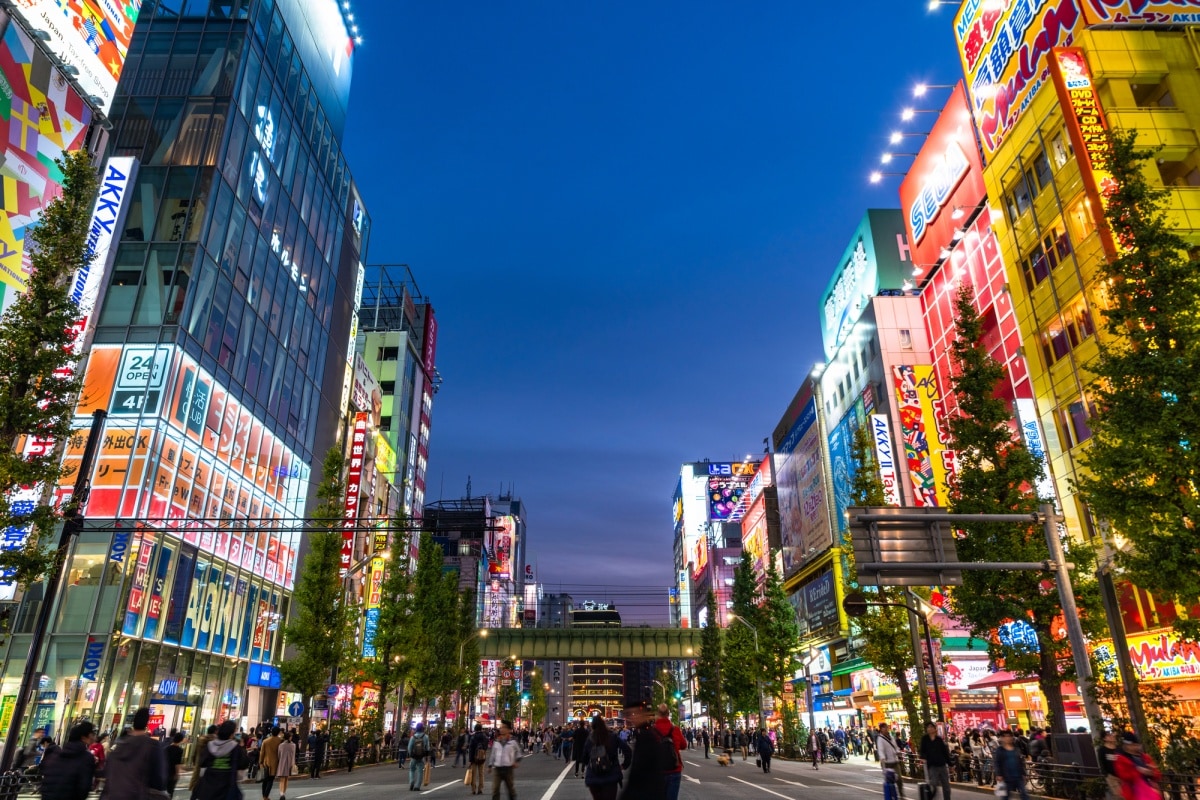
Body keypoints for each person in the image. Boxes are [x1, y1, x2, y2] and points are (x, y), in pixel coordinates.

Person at [101, 708, 168, 800]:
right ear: (147, 724)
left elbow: (107, 772)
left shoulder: (118, 744)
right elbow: (159, 781)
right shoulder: (152, 746)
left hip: (111, 795)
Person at [618, 702, 665, 800]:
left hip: (648, 791)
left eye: (634, 714)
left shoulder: (647, 735)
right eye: (629, 715)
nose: (632, 718)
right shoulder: (644, 733)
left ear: (642, 714)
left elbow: (640, 769)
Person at [39, 721, 96, 800]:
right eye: (92, 734)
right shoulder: (86, 758)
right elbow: (83, 788)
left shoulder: (56, 755)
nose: (93, 737)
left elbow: (46, 782)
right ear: (83, 737)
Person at [193, 721, 249, 800]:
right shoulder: (235, 747)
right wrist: (242, 746)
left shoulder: (210, 745)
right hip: (227, 784)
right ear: (232, 733)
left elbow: (202, 762)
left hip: (209, 784)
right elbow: (244, 763)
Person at [583, 716, 631, 800]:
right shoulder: (612, 736)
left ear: (592, 725)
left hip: (594, 777)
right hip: (611, 775)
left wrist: (592, 765)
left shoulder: (590, 739)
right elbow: (627, 750)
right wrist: (624, 765)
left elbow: (584, 757)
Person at [1114, 733, 1162, 800]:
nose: (1136, 747)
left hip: (1150, 791)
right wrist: (1138, 771)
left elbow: (1157, 774)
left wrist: (1152, 773)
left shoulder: (1145, 757)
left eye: (1136, 745)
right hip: (1134, 793)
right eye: (1133, 745)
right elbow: (1123, 775)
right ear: (1127, 745)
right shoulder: (1121, 759)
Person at [652, 704, 686, 800]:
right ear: (668, 714)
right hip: (674, 769)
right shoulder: (675, 729)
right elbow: (684, 745)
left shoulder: (652, 731)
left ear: (658, 714)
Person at [486, 720, 521, 800]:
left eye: (504, 727)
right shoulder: (496, 741)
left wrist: (516, 761)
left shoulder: (513, 742)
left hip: (508, 769)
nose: (501, 729)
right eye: (501, 727)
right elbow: (493, 754)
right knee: (495, 789)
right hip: (497, 769)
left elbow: (519, 753)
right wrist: (490, 765)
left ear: (509, 730)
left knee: (510, 790)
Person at [994, 729, 1029, 800]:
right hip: (1006, 777)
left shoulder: (1016, 749)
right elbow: (997, 762)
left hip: (1018, 776)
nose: (1007, 738)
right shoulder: (999, 750)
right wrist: (999, 774)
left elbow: (1020, 762)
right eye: (1005, 736)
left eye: (1009, 736)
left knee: (1024, 794)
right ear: (1002, 738)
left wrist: (1024, 774)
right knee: (1005, 796)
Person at [920, 723, 952, 800]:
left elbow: (945, 753)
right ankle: (931, 797)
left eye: (931, 727)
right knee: (933, 784)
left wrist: (950, 764)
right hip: (932, 766)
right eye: (928, 727)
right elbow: (922, 751)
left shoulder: (939, 740)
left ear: (935, 729)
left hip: (942, 765)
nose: (929, 729)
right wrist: (923, 758)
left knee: (946, 786)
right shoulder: (925, 739)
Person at [877, 723, 905, 799]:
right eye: (884, 728)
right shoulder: (880, 739)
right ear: (881, 729)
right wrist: (882, 759)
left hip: (895, 761)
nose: (886, 729)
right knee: (889, 781)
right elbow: (880, 750)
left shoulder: (891, 737)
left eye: (886, 727)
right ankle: (891, 796)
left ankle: (901, 795)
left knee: (899, 779)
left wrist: (898, 751)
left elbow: (895, 747)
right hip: (887, 763)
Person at [188, 726, 217, 797]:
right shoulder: (215, 741)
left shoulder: (201, 739)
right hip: (209, 766)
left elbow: (195, 751)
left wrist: (194, 761)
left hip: (199, 764)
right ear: (216, 731)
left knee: (197, 783)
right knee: (207, 785)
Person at [258, 727, 281, 800]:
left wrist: (260, 762)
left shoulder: (265, 741)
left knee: (265, 780)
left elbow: (262, 752)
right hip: (275, 763)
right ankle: (266, 796)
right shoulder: (280, 741)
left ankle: (264, 796)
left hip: (266, 762)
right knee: (270, 780)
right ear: (278, 732)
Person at [407, 723, 431, 791]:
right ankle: (417, 786)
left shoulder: (413, 737)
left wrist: (411, 754)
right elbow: (427, 748)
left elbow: (409, 748)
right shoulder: (425, 737)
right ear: (423, 728)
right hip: (421, 756)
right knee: (420, 771)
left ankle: (411, 781)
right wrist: (427, 757)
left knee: (412, 769)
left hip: (414, 756)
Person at [1098, 732, 1123, 800]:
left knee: (1126, 794)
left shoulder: (1118, 748)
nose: (1112, 736)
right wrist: (1106, 774)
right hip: (1111, 776)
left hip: (1122, 775)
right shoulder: (1102, 750)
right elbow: (1101, 762)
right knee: (1119, 795)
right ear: (1104, 738)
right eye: (1108, 736)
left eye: (1111, 735)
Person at [467, 724, 490, 796]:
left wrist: (470, 760)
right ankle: (480, 789)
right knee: (481, 773)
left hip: (474, 758)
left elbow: (471, 749)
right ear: (481, 729)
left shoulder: (473, 737)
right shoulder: (485, 737)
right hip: (482, 757)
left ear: (475, 729)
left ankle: (473, 789)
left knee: (473, 774)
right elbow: (486, 747)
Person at [275, 732, 296, 800]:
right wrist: (293, 763)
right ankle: (284, 792)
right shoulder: (293, 745)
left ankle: (281, 794)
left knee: (282, 779)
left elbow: (278, 755)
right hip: (290, 763)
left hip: (282, 763)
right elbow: (293, 755)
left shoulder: (281, 745)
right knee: (286, 779)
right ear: (290, 737)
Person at [164, 733, 184, 797]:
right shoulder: (179, 750)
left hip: (165, 771)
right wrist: (177, 773)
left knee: (164, 789)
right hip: (172, 773)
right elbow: (177, 763)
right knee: (170, 790)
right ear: (181, 740)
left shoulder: (166, 748)